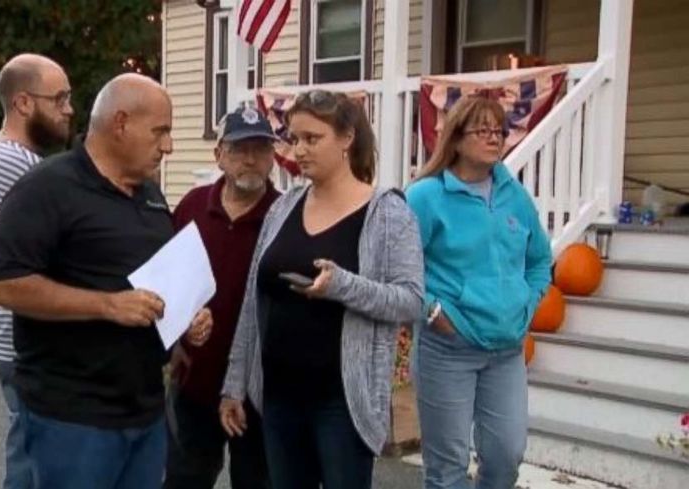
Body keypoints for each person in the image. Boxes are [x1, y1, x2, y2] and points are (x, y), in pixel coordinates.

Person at [0, 73, 212, 489]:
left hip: (144, 410)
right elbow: (3, 285)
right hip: (73, 417)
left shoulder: (151, 196)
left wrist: (185, 323)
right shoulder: (47, 189)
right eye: (160, 132)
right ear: (120, 123)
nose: (169, 146)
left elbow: (157, 283)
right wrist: (106, 304)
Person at [220, 90, 424, 489]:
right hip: (279, 398)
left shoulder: (387, 213)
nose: (299, 150)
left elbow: (410, 301)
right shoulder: (283, 207)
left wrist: (344, 286)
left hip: (342, 403)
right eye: (295, 139)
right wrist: (235, 383)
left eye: (312, 139)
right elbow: (251, 300)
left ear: (346, 138)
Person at [405, 96, 552, 489]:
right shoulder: (426, 197)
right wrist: (433, 312)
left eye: (499, 130)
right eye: (482, 130)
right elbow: (402, 269)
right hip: (446, 350)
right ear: (455, 138)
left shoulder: (514, 195)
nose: (494, 138)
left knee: (506, 455)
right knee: (448, 467)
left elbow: (540, 261)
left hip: (506, 351)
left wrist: (528, 302)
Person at [0, 53, 73, 489]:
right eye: (60, 98)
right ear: (24, 103)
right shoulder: (19, 168)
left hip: (17, 342)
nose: (69, 109)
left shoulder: (14, 160)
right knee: (36, 465)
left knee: (34, 456)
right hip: (27, 344)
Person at [164, 106, 279, 489]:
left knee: (256, 482)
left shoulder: (284, 215)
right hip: (195, 379)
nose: (250, 159)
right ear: (219, 155)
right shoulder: (192, 207)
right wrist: (175, 341)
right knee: (184, 479)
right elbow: (168, 282)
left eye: (261, 149)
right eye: (239, 148)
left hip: (257, 389)